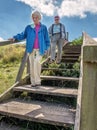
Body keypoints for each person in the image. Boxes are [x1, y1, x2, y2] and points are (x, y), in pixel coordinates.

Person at [9, 10, 50, 87]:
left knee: (37, 62)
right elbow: (22, 35)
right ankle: (33, 82)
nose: (34, 19)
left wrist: (46, 48)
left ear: (39, 18)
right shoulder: (29, 27)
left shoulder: (43, 27)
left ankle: (38, 81)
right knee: (31, 65)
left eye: (36, 17)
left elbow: (47, 39)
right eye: (33, 17)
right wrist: (14, 37)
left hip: (40, 49)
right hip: (31, 49)